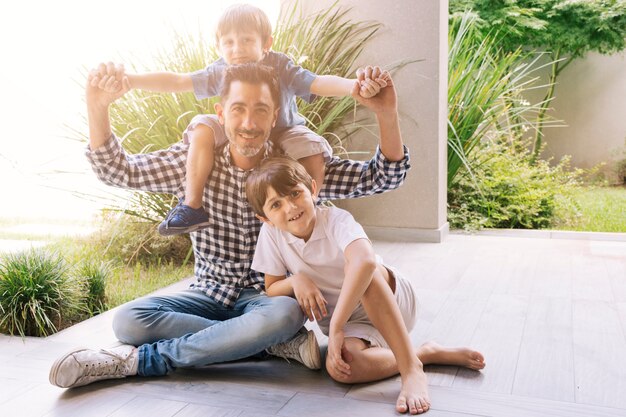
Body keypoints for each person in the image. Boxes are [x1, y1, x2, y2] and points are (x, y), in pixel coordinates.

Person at [48, 62, 410, 389]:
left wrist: (385, 113)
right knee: (128, 321)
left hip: (267, 300)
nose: (249, 123)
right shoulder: (194, 163)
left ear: (274, 118)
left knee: (285, 314)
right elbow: (118, 170)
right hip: (207, 293)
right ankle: (269, 346)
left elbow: (384, 175)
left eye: (260, 111)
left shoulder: (291, 175)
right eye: (238, 109)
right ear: (221, 114)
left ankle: (142, 361)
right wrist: (98, 106)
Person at [94, 3, 389, 236]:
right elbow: (178, 80)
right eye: (229, 42)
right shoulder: (221, 71)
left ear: (266, 44)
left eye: (247, 40)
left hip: (285, 132)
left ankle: (311, 211)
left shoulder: (280, 65)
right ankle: (192, 205)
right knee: (201, 127)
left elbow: (316, 83)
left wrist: (354, 87)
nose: (238, 49)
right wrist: (130, 80)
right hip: (238, 137)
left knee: (310, 146)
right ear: (218, 47)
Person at [245, 157, 487, 415]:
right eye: (276, 204)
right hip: (354, 323)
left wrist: (335, 326)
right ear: (265, 218)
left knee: (361, 271)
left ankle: (411, 370)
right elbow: (271, 287)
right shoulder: (272, 235)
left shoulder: (335, 219)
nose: (290, 207)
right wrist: (296, 280)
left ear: (313, 189)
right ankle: (423, 354)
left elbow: (366, 262)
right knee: (343, 368)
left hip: (390, 299)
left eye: (295, 193)